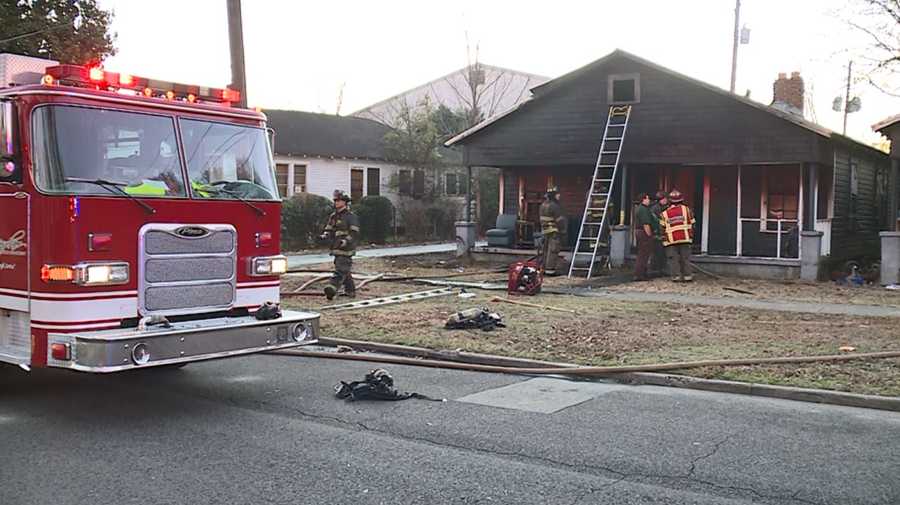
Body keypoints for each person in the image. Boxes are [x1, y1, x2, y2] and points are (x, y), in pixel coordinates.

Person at [321, 190, 360, 300]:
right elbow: (328, 229)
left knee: (340, 269)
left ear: (345, 202)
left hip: (346, 248)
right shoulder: (333, 216)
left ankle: (332, 287)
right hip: (336, 247)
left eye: (338, 200)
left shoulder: (350, 216)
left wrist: (345, 241)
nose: (336, 202)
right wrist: (324, 236)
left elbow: (354, 233)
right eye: (335, 200)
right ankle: (350, 291)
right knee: (344, 269)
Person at [659, 189, 696, 282]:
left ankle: (676, 276)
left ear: (670, 201)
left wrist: (663, 238)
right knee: (685, 258)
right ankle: (687, 276)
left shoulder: (664, 214)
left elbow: (662, 228)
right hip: (685, 238)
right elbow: (693, 223)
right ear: (681, 200)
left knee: (673, 259)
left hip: (671, 240)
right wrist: (690, 234)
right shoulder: (687, 210)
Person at [539, 186, 567, 275]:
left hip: (545, 231)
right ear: (553, 195)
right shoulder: (555, 206)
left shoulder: (543, 205)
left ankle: (543, 268)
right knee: (553, 251)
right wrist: (563, 231)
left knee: (545, 250)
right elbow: (560, 220)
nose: (559, 196)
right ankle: (550, 270)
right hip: (554, 231)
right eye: (557, 194)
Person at [633, 193, 655, 281]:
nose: (649, 200)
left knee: (642, 253)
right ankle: (640, 274)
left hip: (639, 232)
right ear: (643, 199)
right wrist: (649, 235)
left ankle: (641, 273)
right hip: (643, 233)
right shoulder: (643, 210)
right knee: (643, 254)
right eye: (647, 198)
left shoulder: (640, 208)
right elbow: (646, 224)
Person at [649, 190, 669, 276]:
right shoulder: (654, 209)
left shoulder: (666, 207)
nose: (666, 200)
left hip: (664, 233)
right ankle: (655, 270)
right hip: (657, 234)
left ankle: (662, 269)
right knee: (657, 253)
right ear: (660, 199)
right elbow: (655, 222)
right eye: (664, 199)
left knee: (663, 253)